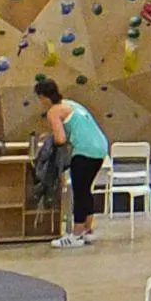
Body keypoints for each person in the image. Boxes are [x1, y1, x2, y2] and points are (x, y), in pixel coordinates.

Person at [34, 78, 107, 247]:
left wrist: (50, 139)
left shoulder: (53, 111)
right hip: (100, 148)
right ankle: (87, 230)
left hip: (84, 150)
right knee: (86, 189)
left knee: (80, 191)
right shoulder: (71, 104)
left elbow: (60, 138)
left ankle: (75, 234)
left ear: (44, 97)